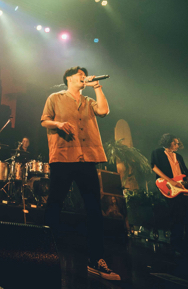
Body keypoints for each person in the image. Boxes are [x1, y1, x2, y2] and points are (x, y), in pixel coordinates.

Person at [40, 66, 120, 281]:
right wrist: (58, 124)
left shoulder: (89, 101)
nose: (83, 77)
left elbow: (104, 111)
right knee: (55, 204)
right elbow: (44, 120)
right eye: (79, 75)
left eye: (85, 75)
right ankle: (44, 251)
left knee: (94, 208)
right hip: (63, 156)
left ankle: (96, 259)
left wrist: (97, 88)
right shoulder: (55, 98)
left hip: (87, 158)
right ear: (68, 79)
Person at [150, 134, 188, 257]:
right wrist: (170, 181)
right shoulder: (158, 152)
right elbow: (154, 167)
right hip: (169, 186)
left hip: (182, 187)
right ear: (168, 142)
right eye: (175, 142)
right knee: (177, 215)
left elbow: (185, 175)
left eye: (178, 143)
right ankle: (176, 245)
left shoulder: (179, 156)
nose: (177, 145)